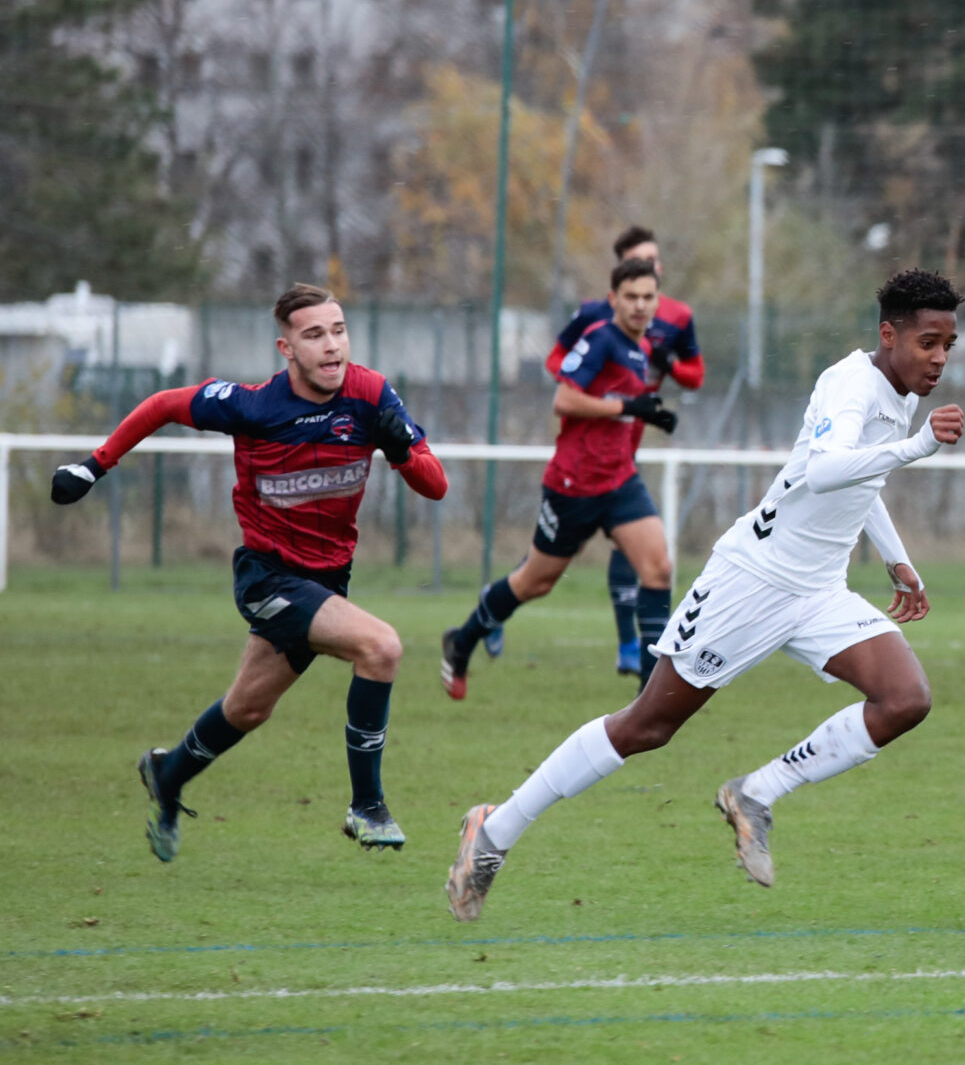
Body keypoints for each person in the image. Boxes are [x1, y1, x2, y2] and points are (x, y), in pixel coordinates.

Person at [445, 269, 965, 920]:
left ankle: (756, 791)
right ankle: (493, 831)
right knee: (646, 725)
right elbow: (827, 469)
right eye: (928, 341)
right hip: (751, 580)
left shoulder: (900, 387)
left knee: (905, 697)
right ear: (888, 334)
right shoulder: (850, 384)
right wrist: (917, 447)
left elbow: (860, 481)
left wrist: (897, 558)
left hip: (818, 590)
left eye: (948, 343)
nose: (940, 357)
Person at [50, 284, 448, 858]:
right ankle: (367, 805)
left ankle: (168, 775)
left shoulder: (371, 394)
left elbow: (436, 486)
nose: (332, 346)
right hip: (269, 578)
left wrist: (402, 450)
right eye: (315, 335)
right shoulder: (253, 406)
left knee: (248, 708)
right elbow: (163, 404)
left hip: (328, 579)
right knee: (380, 648)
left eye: (338, 330)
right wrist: (93, 467)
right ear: (286, 348)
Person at [438, 256, 681, 699]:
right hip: (574, 485)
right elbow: (565, 400)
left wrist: (648, 416)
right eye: (631, 297)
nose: (640, 306)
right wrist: (628, 408)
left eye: (648, 297)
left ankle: (651, 699)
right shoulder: (601, 338)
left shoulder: (641, 347)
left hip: (620, 480)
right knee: (536, 581)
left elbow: (617, 404)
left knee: (658, 569)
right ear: (613, 299)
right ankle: (464, 638)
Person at [542, 225, 704, 678]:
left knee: (649, 559)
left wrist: (662, 375)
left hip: (626, 450)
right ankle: (490, 617)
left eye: (654, 261)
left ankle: (637, 655)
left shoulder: (673, 317)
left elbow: (695, 375)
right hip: (585, 454)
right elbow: (558, 366)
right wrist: (615, 395)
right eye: (639, 261)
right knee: (541, 573)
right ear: (617, 282)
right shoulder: (597, 321)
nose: (650, 269)